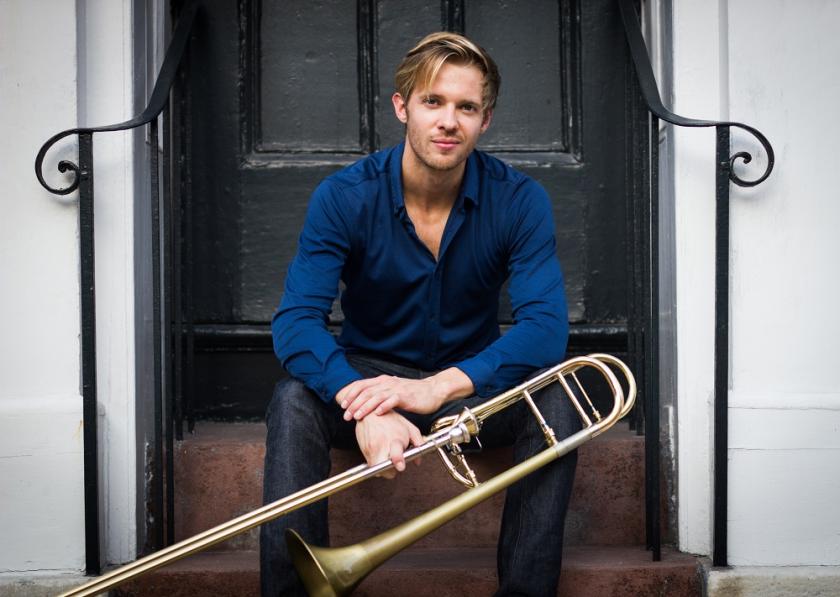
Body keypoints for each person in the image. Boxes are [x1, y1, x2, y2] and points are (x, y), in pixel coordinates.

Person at [261, 32, 580, 597]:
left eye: (466, 107)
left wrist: (437, 388)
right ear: (402, 107)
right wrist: (361, 403)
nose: (448, 121)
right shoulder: (344, 196)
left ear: (485, 120)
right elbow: (296, 322)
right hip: (369, 378)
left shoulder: (519, 199)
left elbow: (546, 329)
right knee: (292, 401)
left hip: (467, 388)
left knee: (557, 400)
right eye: (433, 101)